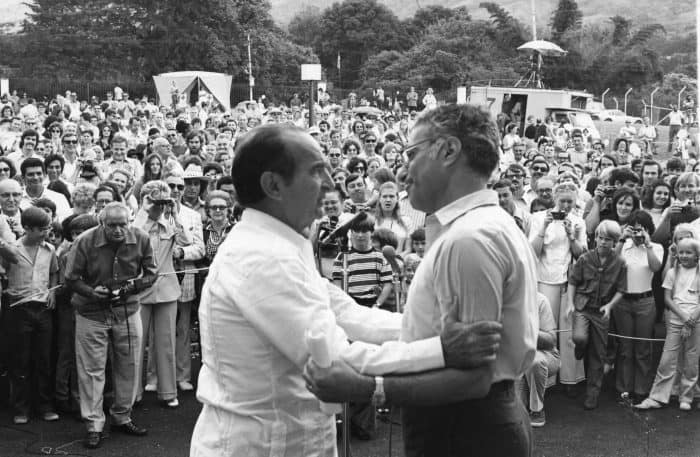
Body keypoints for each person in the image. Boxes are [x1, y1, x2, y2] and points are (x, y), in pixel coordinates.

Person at [191, 123, 503, 457]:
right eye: (316, 172)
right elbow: (337, 359)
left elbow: (343, 311)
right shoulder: (263, 257)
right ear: (273, 185)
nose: (330, 185)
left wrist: (437, 328)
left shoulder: (277, 243)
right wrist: (442, 349)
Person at [305, 104, 538, 457]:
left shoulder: (469, 239)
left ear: (448, 151)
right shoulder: (479, 227)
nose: (402, 171)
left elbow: (473, 378)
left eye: (411, 154)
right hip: (470, 423)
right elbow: (427, 331)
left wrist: (371, 387)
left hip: (463, 429)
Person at [64, 202, 157, 449]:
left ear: (130, 221)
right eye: (112, 225)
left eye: (122, 224)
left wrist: (132, 287)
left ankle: (122, 417)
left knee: (129, 365)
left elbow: (151, 273)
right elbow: (70, 278)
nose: (117, 230)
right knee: (91, 371)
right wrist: (92, 292)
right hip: (91, 311)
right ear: (101, 222)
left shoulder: (142, 238)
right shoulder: (84, 241)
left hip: (126, 311)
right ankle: (94, 425)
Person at [133, 181, 191, 408]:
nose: (159, 207)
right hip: (140, 290)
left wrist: (175, 213)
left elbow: (186, 241)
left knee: (166, 343)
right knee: (137, 343)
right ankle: (133, 393)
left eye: (162, 202)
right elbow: (130, 240)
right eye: (154, 201)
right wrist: (144, 211)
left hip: (166, 290)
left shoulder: (170, 226)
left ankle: (168, 392)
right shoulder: (138, 224)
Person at [4, 207, 59, 425]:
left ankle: (45, 405)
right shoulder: (11, 249)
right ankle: (21, 408)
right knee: (21, 360)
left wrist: (53, 291)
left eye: (48, 227)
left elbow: (54, 272)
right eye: (42, 229)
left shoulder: (50, 249)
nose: (47, 232)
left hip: (43, 309)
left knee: (44, 359)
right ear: (27, 228)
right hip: (19, 310)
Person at [635, 237, 700, 411]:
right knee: (667, 359)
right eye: (681, 252)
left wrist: (691, 320)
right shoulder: (672, 272)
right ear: (677, 254)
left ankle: (686, 396)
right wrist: (684, 318)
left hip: (696, 321)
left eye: (689, 252)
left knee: (691, 359)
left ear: (697, 255)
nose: (684, 255)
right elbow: (667, 299)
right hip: (677, 319)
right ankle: (657, 397)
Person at [568, 220, 627, 410]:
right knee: (579, 337)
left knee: (598, 354)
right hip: (583, 307)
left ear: (615, 242)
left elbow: (621, 290)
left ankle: (592, 394)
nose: (603, 242)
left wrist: (610, 306)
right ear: (596, 238)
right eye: (601, 238)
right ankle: (580, 346)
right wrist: (570, 303)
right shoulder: (585, 258)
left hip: (601, 312)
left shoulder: (619, 263)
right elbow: (573, 282)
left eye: (608, 240)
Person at [518, 292, 560, 427]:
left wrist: (527, 331)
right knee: (515, 415)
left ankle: (537, 410)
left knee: (533, 360)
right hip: (515, 362)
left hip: (543, 356)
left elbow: (551, 341)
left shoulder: (539, 300)